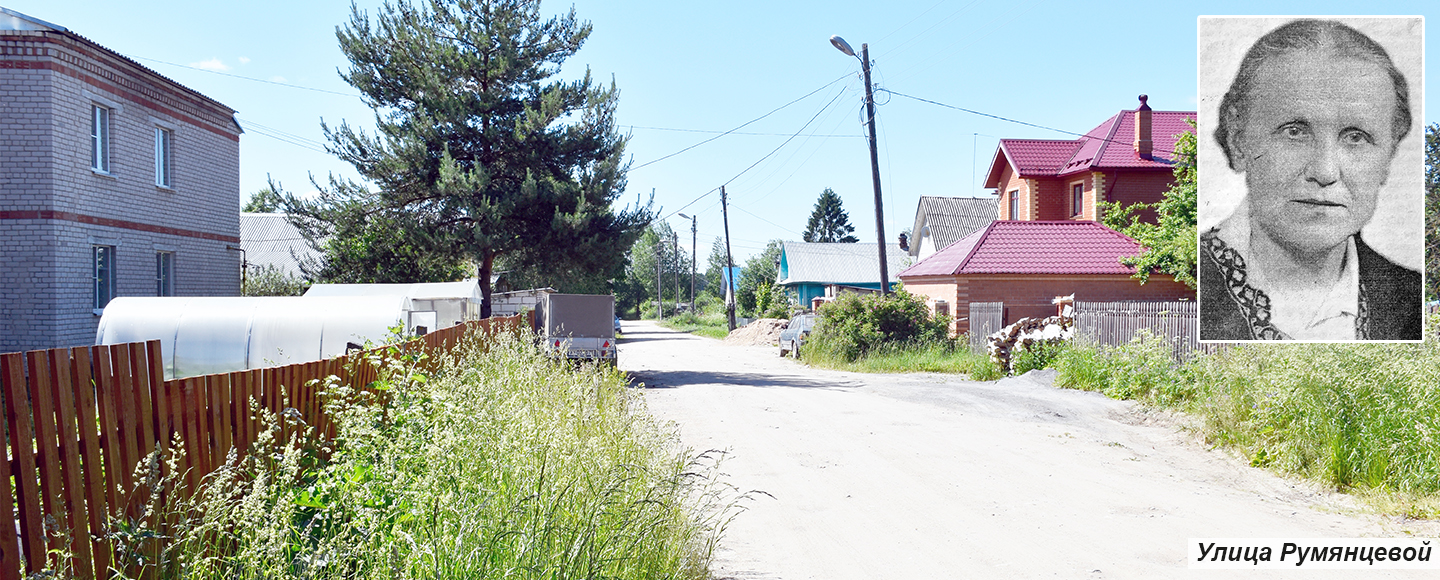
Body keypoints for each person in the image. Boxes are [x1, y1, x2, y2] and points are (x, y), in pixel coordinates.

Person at [1200, 18, 1421, 341]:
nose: (1325, 172)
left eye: (1356, 137)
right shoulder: (1196, 285)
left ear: (1388, 156)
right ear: (1238, 138)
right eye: (1295, 132)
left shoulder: (1410, 304)